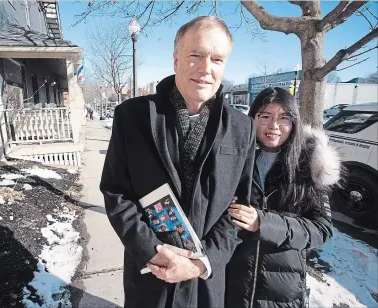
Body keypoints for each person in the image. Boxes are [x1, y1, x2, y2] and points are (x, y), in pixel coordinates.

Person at [100, 16, 256, 308]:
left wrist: (202, 263)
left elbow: (239, 209)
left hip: (205, 284)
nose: (205, 69)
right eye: (195, 55)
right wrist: (151, 249)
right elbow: (116, 191)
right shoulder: (132, 117)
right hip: (151, 274)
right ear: (176, 61)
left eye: (217, 59)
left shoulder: (242, 128)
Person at [226, 87, 341, 308]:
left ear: (294, 121)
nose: (274, 126)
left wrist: (264, 223)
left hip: (281, 290)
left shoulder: (309, 164)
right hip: (233, 281)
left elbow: (322, 229)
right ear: (253, 118)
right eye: (265, 116)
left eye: (283, 118)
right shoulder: (235, 157)